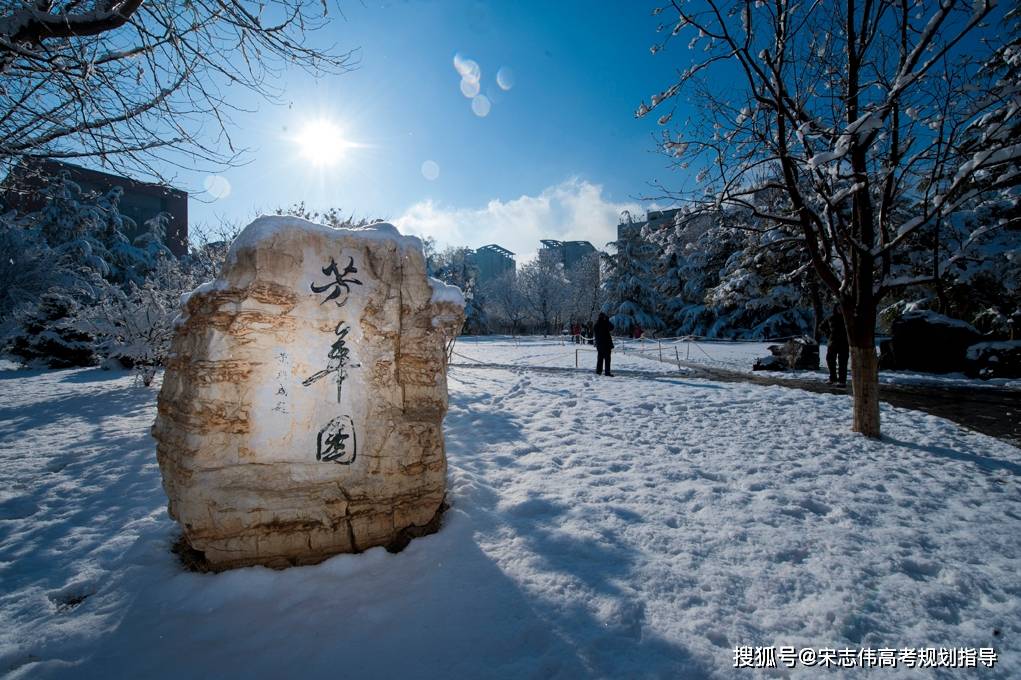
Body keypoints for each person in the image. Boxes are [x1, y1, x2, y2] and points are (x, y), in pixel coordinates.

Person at [824, 304, 849, 386]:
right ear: (835, 309)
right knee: (830, 361)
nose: (840, 310)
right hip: (832, 343)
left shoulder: (848, 318)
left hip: (844, 343)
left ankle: (842, 381)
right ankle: (832, 378)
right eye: (839, 308)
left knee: (843, 363)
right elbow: (821, 327)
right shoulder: (831, 318)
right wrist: (828, 334)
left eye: (841, 308)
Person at [593, 312, 615, 376]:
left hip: (599, 345)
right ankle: (607, 372)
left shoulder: (596, 324)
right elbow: (612, 327)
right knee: (607, 359)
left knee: (600, 359)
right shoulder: (605, 323)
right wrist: (607, 321)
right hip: (606, 344)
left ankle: (598, 371)